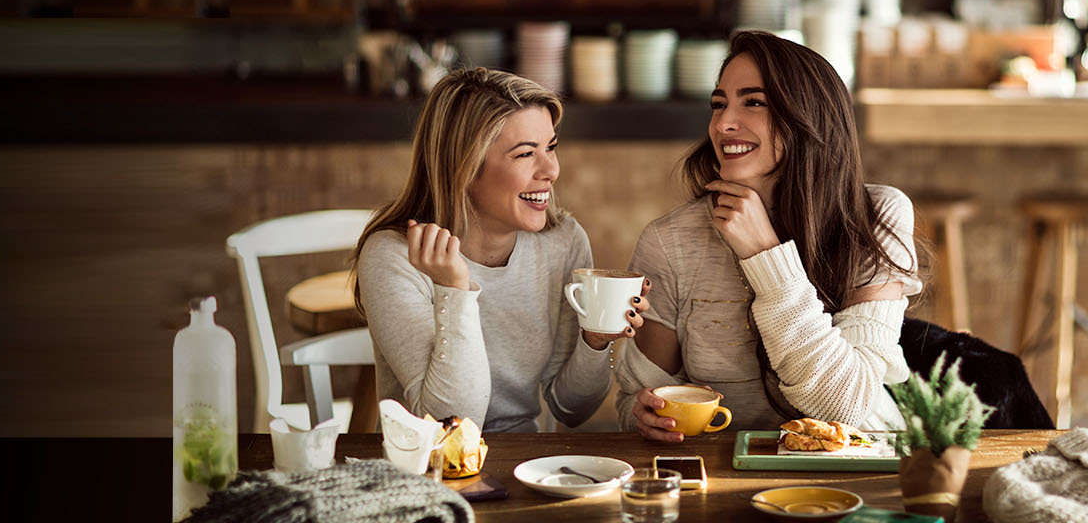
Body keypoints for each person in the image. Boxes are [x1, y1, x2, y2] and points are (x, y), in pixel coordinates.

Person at [615, 31, 924, 441]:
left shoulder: (875, 217)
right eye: (719, 104)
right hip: (724, 472)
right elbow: (634, 401)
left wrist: (766, 255)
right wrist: (644, 415)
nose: (723, 124)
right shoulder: (670, 242)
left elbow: (845, 407)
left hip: (861, 470)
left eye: (754, 102)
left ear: (808, 117)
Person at [354, 67, 648, 432]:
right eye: (526, 154)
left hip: (525, 466)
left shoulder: (563, 242)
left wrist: (594, 341)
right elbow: (452, 423)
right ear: (463, 166)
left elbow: (572, 409)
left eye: (551, 147)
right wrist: (455, 291)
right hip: (428, 471)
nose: (551, 170)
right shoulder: (396, 256)